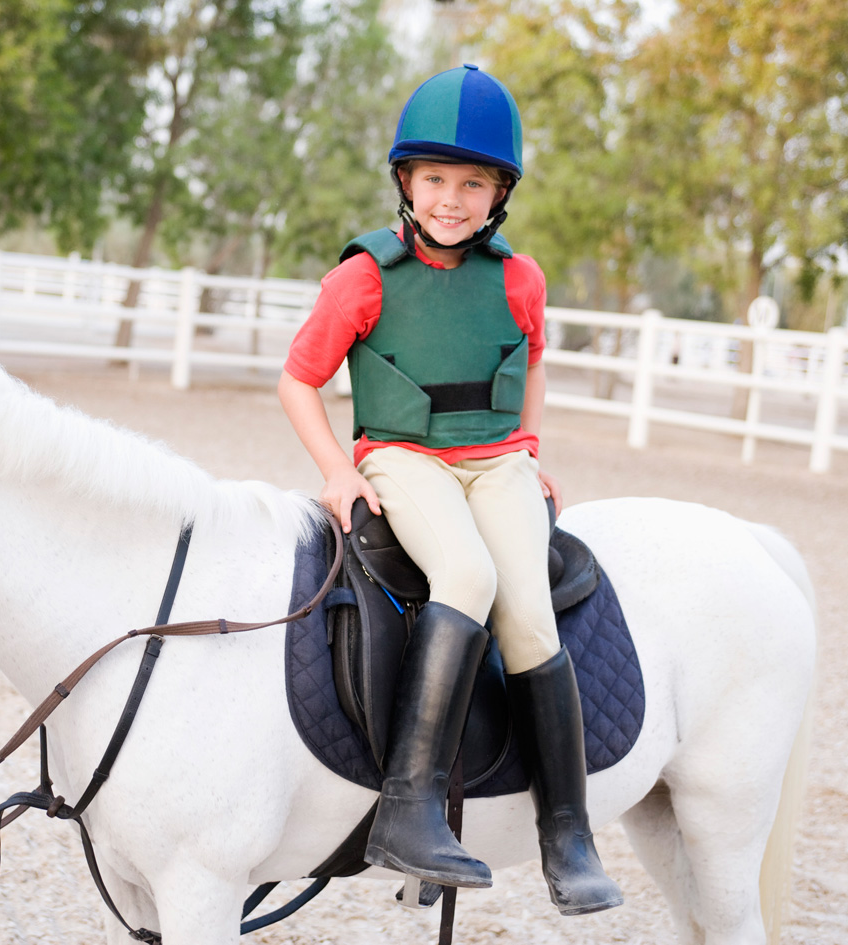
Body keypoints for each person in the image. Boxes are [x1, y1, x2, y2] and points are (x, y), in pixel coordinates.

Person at [278, 65, 622, 915]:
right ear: (405, 180)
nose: (451, 199)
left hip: (496, 460)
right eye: (434, 179)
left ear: (499, 192)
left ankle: (567, 829)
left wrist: (529, 447)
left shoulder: (519, 277)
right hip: (402, 455)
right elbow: (296, 379)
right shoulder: (362, 276)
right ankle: (407, 807)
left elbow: (534, 356)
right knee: (464, 577)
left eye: (474, 183)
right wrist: (337, 468)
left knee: (530, 610)